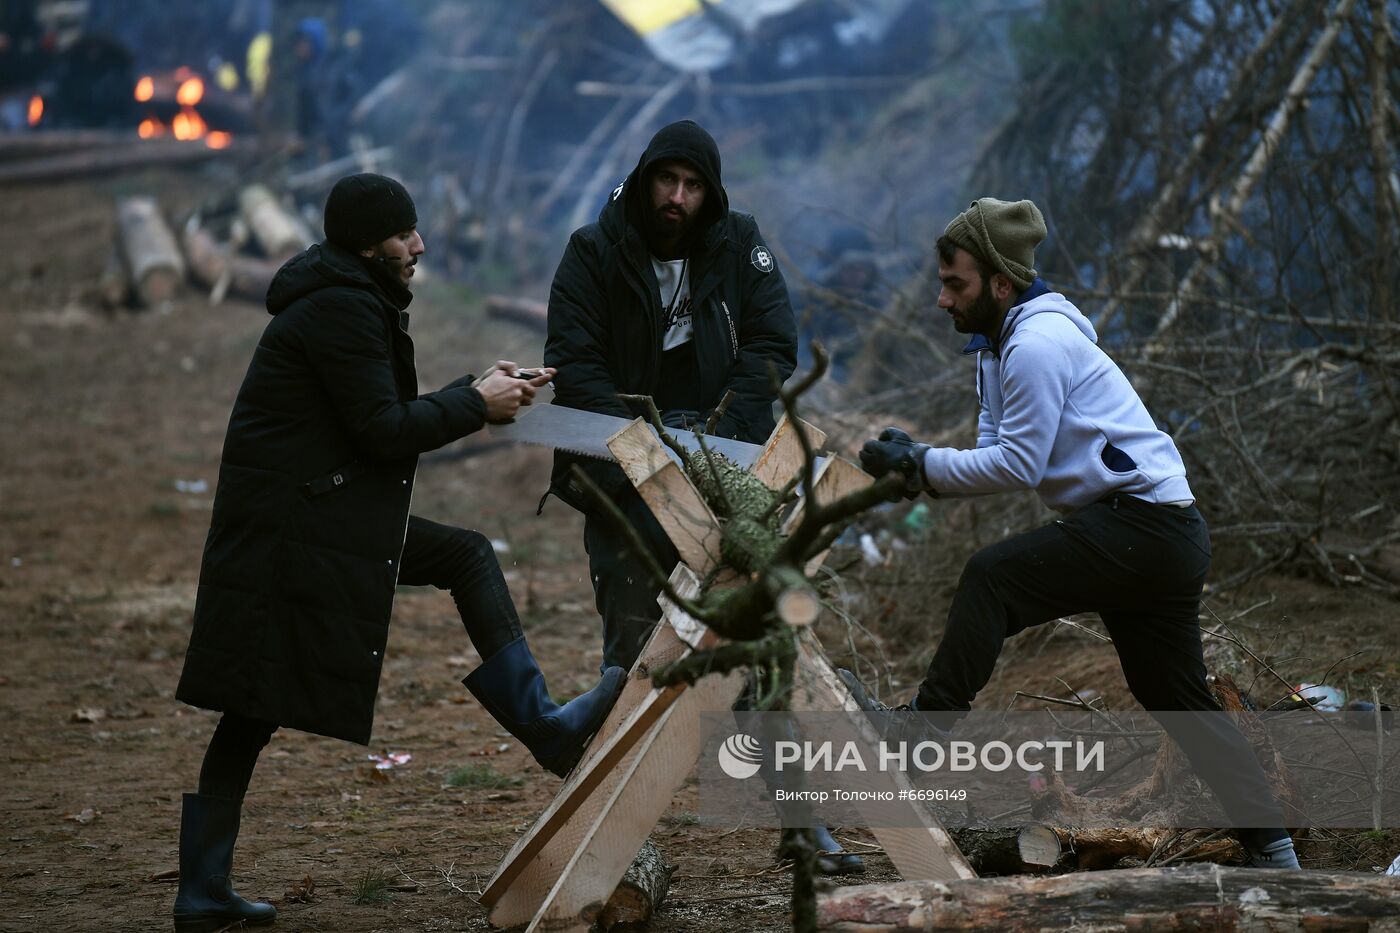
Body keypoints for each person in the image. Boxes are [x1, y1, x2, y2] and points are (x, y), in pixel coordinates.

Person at [172, 173, 627, 932]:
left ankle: (201, 891)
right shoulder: (344, 307)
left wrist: (479, 388)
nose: (418, 244)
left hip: (307, 514)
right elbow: (382, 429)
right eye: (404, 233)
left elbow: (374, 411)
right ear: (364, 243)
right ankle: (544, 724)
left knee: (253, 705)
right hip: (303, 527)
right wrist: (475, 407)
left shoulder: (344, 296)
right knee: (260, 695)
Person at [843, 197, 1301, 870]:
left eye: (955, 284)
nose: (941, 299)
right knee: (1173, 696)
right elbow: (992, 447)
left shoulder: (1036, 344)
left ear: (1001, 283)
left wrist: (921, 467)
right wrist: (921, 462)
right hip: (1156, 529)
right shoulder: (998, 347)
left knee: (990, 577)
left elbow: (1020, 466)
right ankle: (1276, 849)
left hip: (1143, 525)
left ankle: (916, 734)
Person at [543, 120, 862, 874]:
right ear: (646, 179)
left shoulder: (737, 243)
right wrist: (650, 447)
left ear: (709, 195)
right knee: (633, 658)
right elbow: (572, 363)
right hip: (623, 481)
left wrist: (723, 443)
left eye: (692, 188)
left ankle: (800, 822)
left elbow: (771, 345)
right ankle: (601, 842)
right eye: (667, 183)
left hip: (724, 471)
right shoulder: (594, 251)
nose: (677, 199)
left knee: (765, 644)